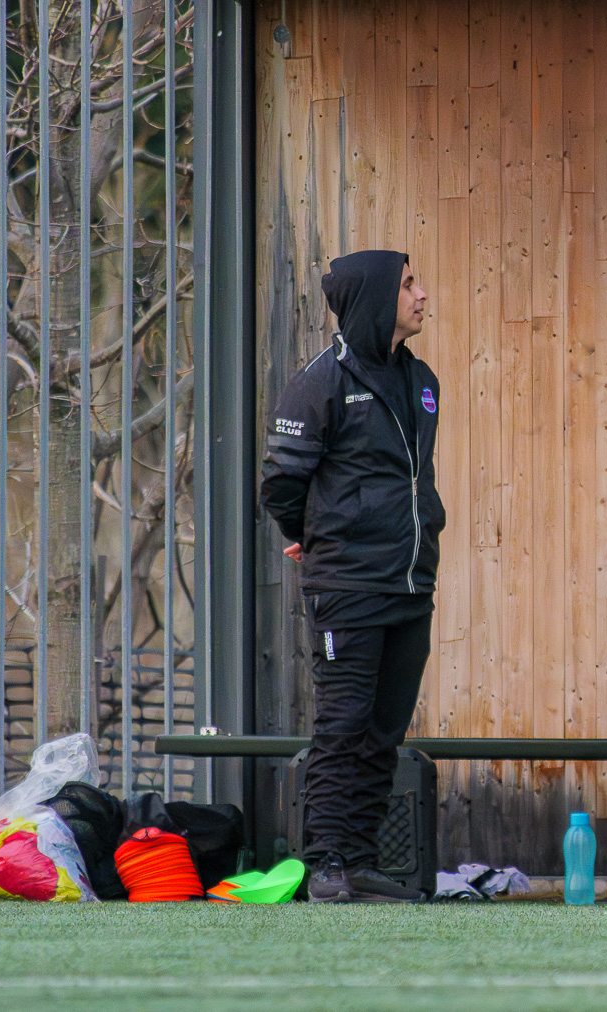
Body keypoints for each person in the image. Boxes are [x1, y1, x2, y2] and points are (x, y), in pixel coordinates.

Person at [260, 250, 444, 903]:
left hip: (410, 586)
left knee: (384, 733)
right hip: (348, 587)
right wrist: (310, 539)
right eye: (408, 285)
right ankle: (327, 863)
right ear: (373, 299)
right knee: (342, 726)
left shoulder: (422, 380)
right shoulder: (320, 383)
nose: (421, 295)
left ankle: (360, 858)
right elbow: (282, 483)